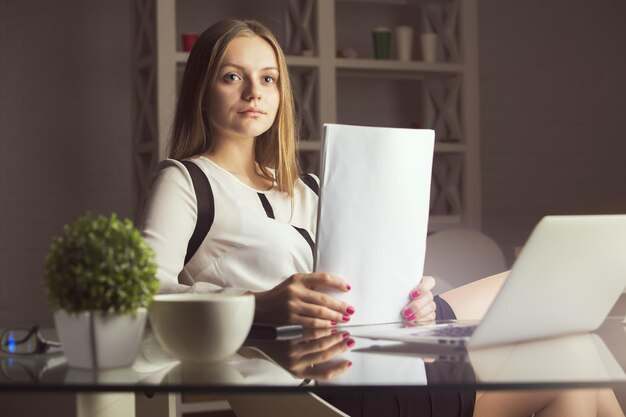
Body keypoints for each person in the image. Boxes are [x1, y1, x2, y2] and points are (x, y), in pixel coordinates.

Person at [140, 19, 624, 417]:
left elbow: (360, 287)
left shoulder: (306, 187)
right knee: (571, 361)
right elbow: (143, 297)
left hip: (383, 361)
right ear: (203, 88)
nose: (254, 92)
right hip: (317, 389)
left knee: (573, 352)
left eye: (268, 79)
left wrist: (413, 299)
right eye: (232, 76)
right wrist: (259, 304)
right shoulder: (186, 181)